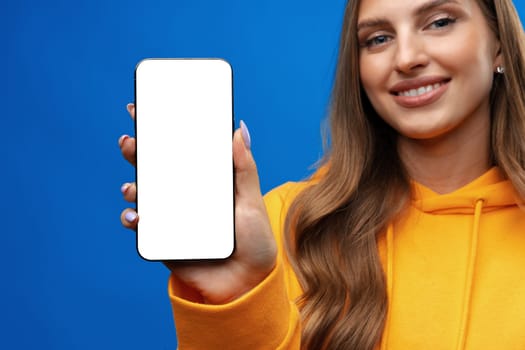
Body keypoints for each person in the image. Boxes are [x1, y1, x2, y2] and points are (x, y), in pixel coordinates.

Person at [119, 0, 525, 348]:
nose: (406, 58)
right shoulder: (283, 226)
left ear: (500, 44)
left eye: (439, 22)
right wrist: (237, 299)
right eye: (378, 39)